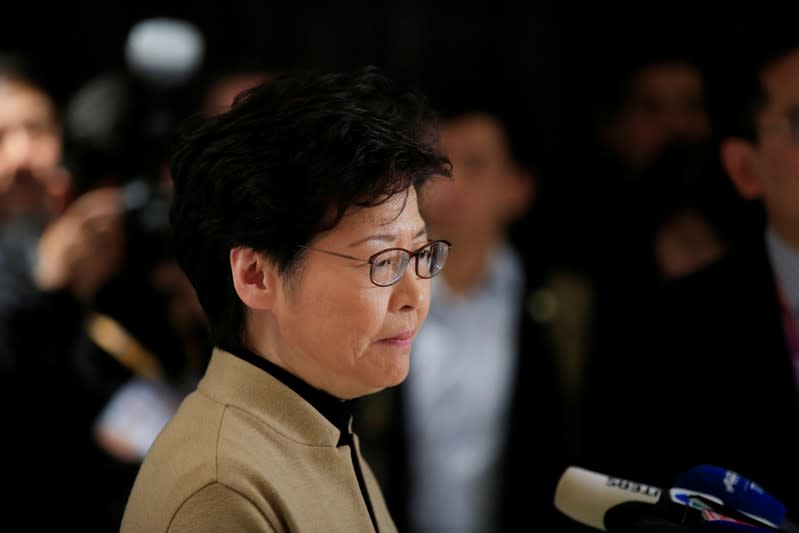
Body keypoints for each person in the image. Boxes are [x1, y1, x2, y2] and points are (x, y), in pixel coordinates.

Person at [120, 65, 452, 532]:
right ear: (256, 275)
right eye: (383, 262)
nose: (414, 296)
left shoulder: (319, 426)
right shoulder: (223, 489)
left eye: (420, 252)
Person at [577, 29, 799, 524]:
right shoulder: (653, 333)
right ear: (744, 166)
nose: (675, 127)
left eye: (687, 106)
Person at [353, 102, 573, 532]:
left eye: (474, 165)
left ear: (518, 187)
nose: (447, 184)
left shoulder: (564, 306)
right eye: (434, 163)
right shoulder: (375, 294)